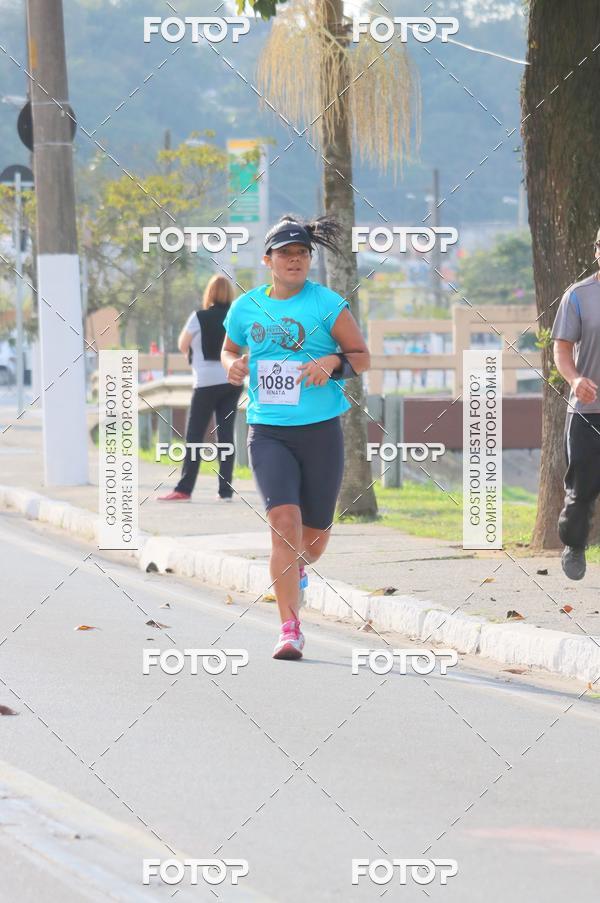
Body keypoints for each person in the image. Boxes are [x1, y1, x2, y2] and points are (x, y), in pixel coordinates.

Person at [221, 214, 370, 660]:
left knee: (315, 539)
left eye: (302, 254)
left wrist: (332, 364)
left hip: (321, 431)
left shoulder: (327, 303)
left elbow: (362, 357)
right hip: (268, 431)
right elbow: (229, 348)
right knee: (283, 525)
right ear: (268, 260)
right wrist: (231, 363)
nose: (295, 260)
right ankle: (290, 628)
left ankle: (296, 568)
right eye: (285, 254)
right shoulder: (245, 306)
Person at [159, 274, 243, 502]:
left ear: (209, 293)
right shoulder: (236, 317)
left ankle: (184, 489)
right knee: (226, 436)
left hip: (205, 383)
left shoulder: (199, 317)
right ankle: (225, 491)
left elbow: (182, 344)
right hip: (232, 381)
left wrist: (193, 357)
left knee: (195, 436)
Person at [552, 227, 600, 580]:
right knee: (581, 488)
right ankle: (574, 545)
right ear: (596, 250)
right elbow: (562, 347)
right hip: (588, 411)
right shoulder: (579, 296)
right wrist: (575, 379)